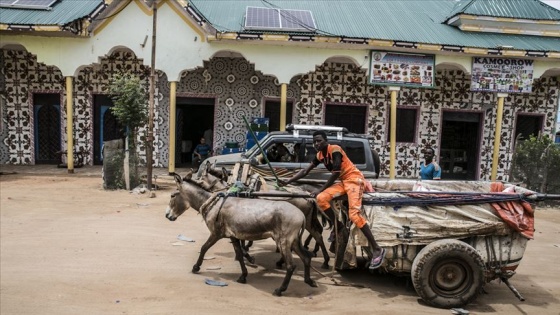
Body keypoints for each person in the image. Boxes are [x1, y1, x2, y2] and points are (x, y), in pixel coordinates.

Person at [279, 130, 385, 270]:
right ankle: (338, 226)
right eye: (315, 141)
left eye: (319, 141)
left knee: (354, 215)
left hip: (354, 180)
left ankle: (377, 248)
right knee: (321, 199)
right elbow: (305, 171)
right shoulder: (320, 155)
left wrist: (320, 188)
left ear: (325, 140)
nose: (317, 144)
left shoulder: (335, 149)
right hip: (343, 182)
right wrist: (288, 181)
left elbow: (335, 173)